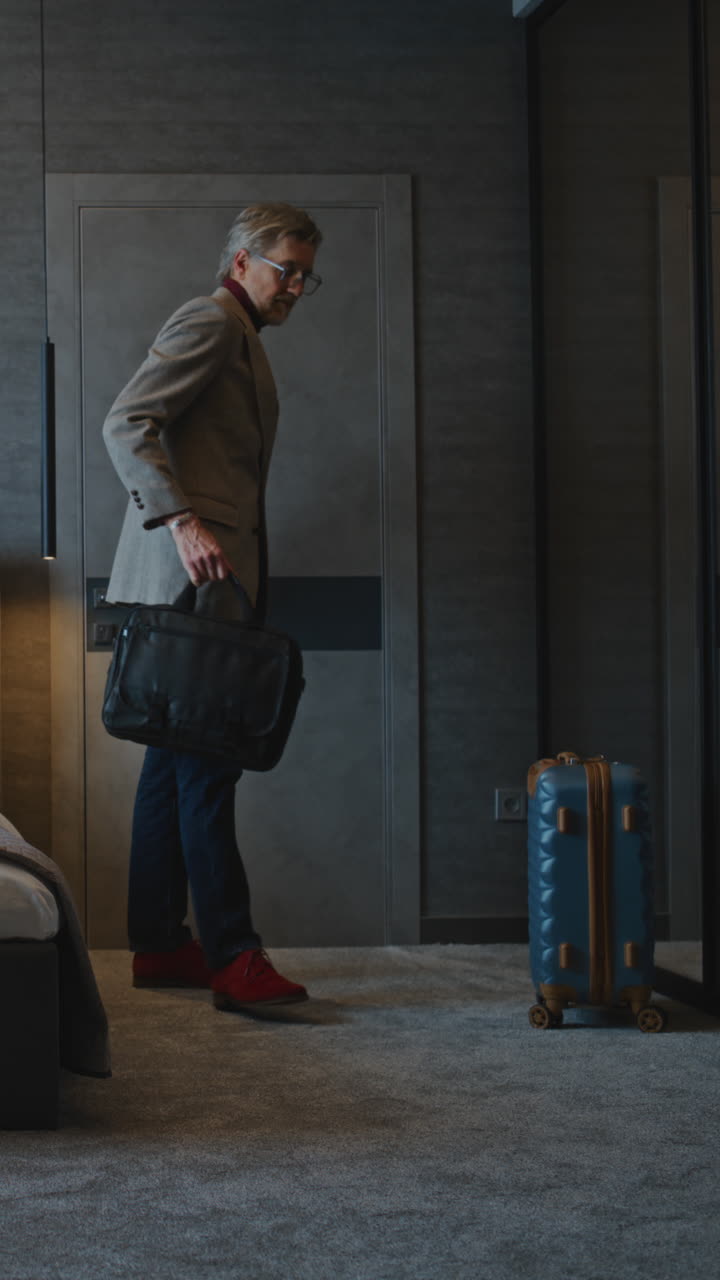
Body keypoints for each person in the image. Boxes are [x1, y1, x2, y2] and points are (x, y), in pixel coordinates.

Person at [102, 202, 323, 1012]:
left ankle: (161, 941)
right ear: (241, 261)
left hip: (206, 587)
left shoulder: (243, 337)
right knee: (207, 766)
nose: (296, 285)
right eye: (284, 268)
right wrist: (183, 520)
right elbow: (127, 422)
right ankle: (234, 953)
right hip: (193, 585)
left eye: (306, 274)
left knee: (173, 761)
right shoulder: (212, 321)